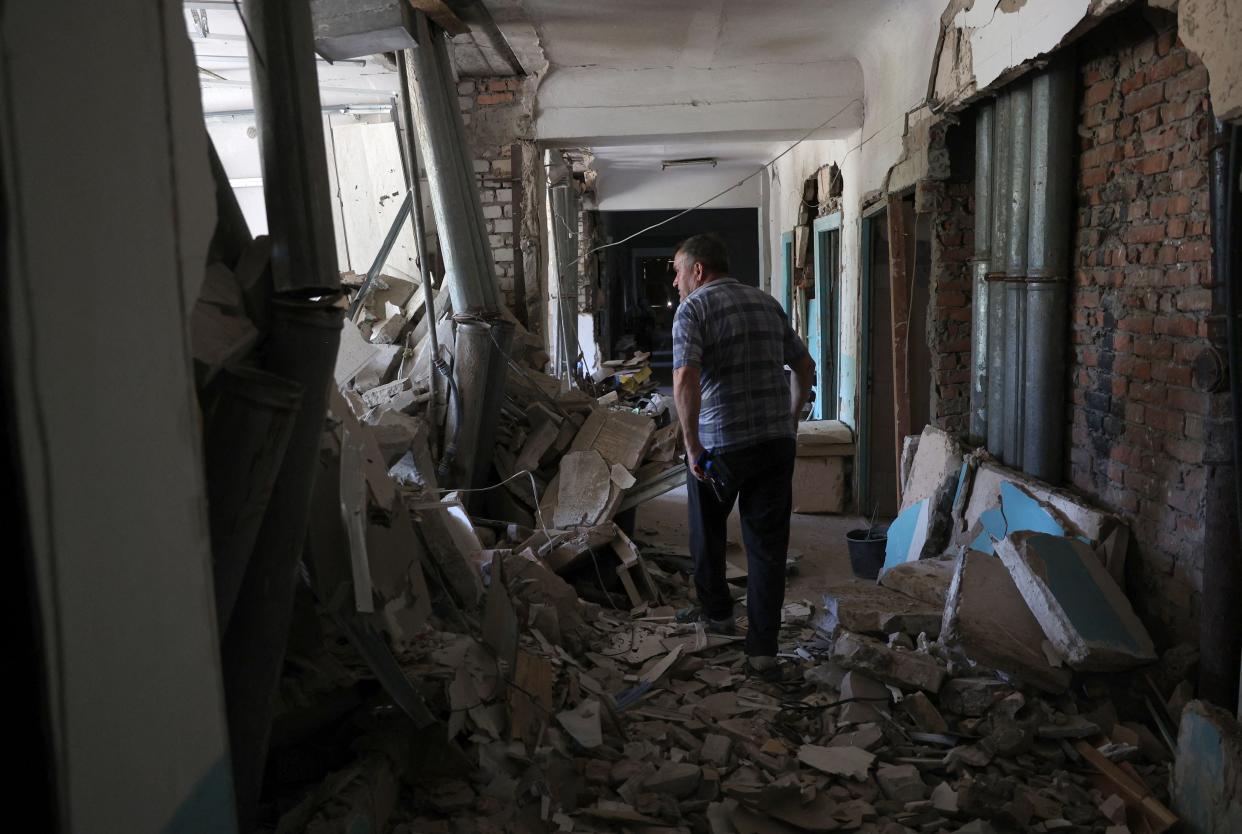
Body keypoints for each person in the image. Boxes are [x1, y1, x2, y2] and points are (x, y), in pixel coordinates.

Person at [670, 233, 815, 680]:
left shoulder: (693, 308)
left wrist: (692, 445)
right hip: (774, 444)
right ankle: (763, 652)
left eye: (677, 272)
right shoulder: (767, 303)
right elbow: (804, 365)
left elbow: (685, 378)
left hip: (721, 447)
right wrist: (790, 420)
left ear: (698, 270)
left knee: (707, 533)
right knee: (768, 547)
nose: (675, 283)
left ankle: (717, 615)